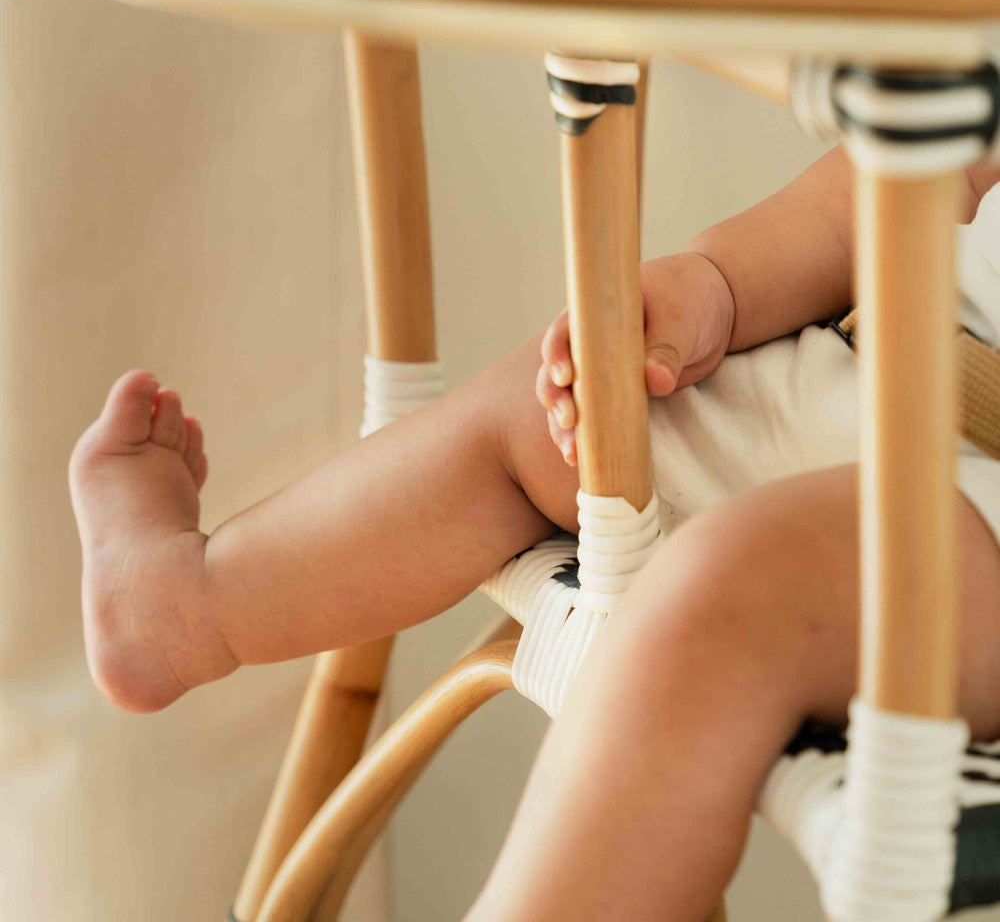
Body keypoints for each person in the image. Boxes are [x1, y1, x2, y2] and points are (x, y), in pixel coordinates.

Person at [68, 144, 1000, 922]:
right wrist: (714, 286)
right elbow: (874, 195)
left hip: (977, 524)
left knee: (740, 586)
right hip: (871, 373)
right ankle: (192, 608)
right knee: (555, 418)